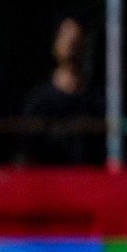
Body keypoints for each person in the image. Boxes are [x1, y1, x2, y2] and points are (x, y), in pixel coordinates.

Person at [19, 16, 104, 164]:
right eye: (65, 36)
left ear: (85, 44)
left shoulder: (99, 97)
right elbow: (28, 151)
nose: (71, 43)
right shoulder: (39, 100)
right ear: (54, 44)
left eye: (76, 38)